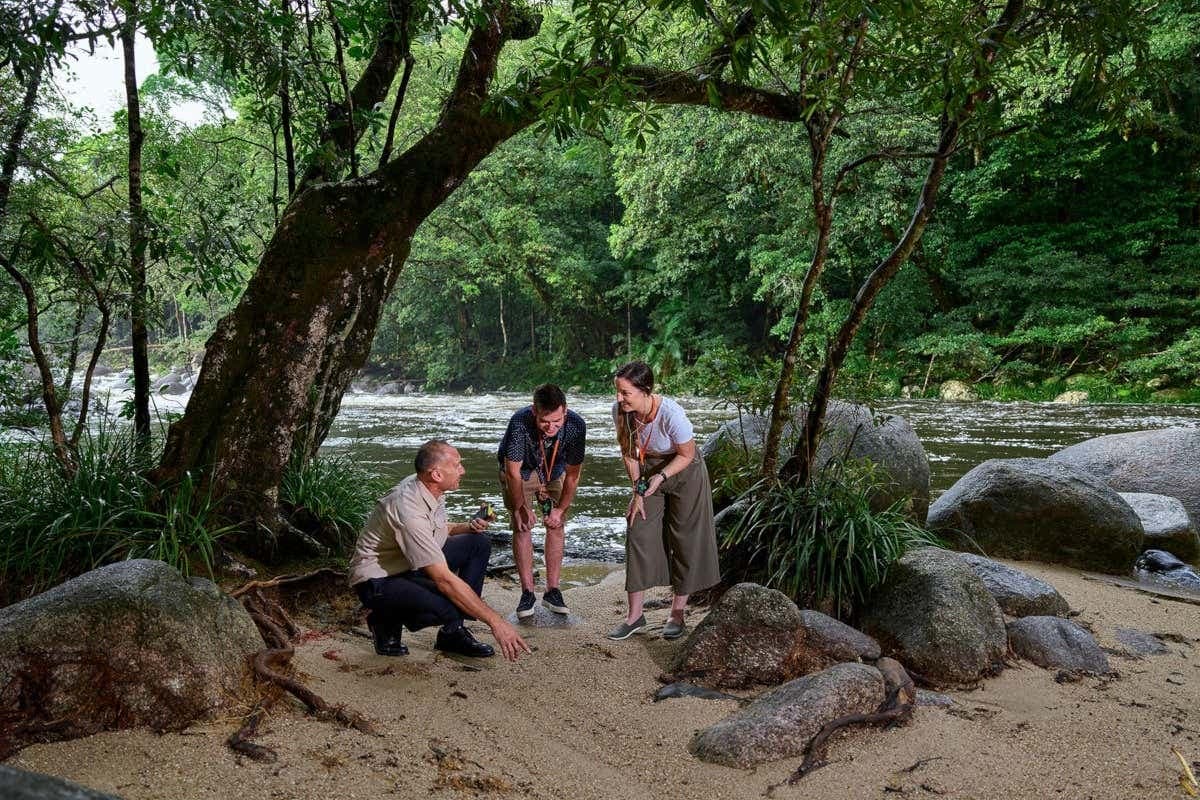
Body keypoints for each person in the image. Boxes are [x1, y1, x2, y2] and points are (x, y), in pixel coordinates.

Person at [348, 440, 532, 661]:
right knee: (452, 606)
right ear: (435, 474)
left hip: (408, 563)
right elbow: (444, 579)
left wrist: (467, 526)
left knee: (477, 543)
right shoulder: (408, 510)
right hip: (378, 580)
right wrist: (496, 622)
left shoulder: (429, 488)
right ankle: (384, 619)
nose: (462, 470)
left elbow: (437, 530)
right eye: (457, 465)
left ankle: (451, 634)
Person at [607, 361, 721, 641]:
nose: (620, 398)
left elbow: (687, 453)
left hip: (684, 469)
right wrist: (637, 491)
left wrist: (662, 477)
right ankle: (635, 616)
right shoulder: (621, 412)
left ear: (645, 390)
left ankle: (677, 613)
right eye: (618, 392)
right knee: (638, 527)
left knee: (684, 537)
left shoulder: (672, 415)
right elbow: (629, 453)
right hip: (649, 469)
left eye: (625, 393)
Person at [497, 384, 586, 619]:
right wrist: (520, 508)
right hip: (521, 471)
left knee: (556, 523)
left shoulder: (576, 426)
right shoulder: (519, 422)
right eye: (545, 421)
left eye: (556, 421)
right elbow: (512, 473)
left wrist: (561, 509)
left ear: (565, 411)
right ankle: (527, 593)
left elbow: (574, 475)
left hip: (554, 470)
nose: (551, 427)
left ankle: (553, 590)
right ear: (534, 411)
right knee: (522, 525)